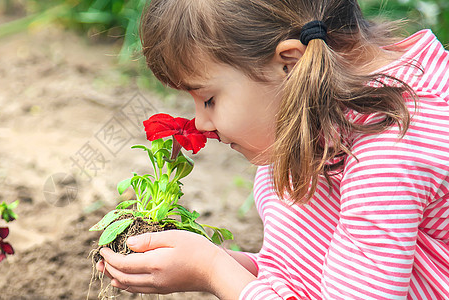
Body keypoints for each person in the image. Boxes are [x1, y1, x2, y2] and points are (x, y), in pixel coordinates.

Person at [95, 0, 449, 299]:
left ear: (290, 64)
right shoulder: (314, 112)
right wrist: (221, 263)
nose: (201, 123)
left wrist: (212, 270)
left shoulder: (392, 154)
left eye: (209, 99)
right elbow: (306, 269)